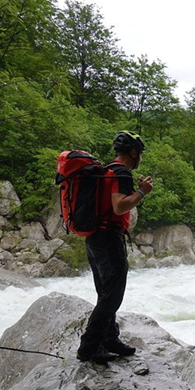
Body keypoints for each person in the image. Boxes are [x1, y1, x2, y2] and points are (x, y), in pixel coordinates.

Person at [76, 131, 154, 364]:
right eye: (139, 153)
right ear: (133, 152)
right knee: (112, 296)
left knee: (105, 292)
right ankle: (89, 347)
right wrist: (142, 192)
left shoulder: (107, 169)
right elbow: (119, 207)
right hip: (109, 238)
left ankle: (110, 339)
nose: (140, 157)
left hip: (94, 237)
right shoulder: (121, 172)